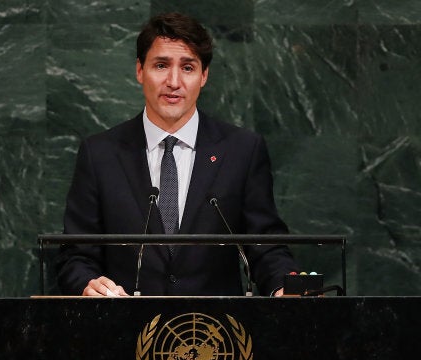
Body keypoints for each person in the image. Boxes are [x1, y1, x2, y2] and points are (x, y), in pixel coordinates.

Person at [56, 12, 297, 297]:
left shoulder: (242, 150)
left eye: (187, 67)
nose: (173, 81)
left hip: (217, 333)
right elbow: (75, 256)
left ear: (204, 76)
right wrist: (88, 283)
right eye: (161, 65)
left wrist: (284, 286)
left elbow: (266, 245)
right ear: (139, 71)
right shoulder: (100, 154)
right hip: (126, 331)